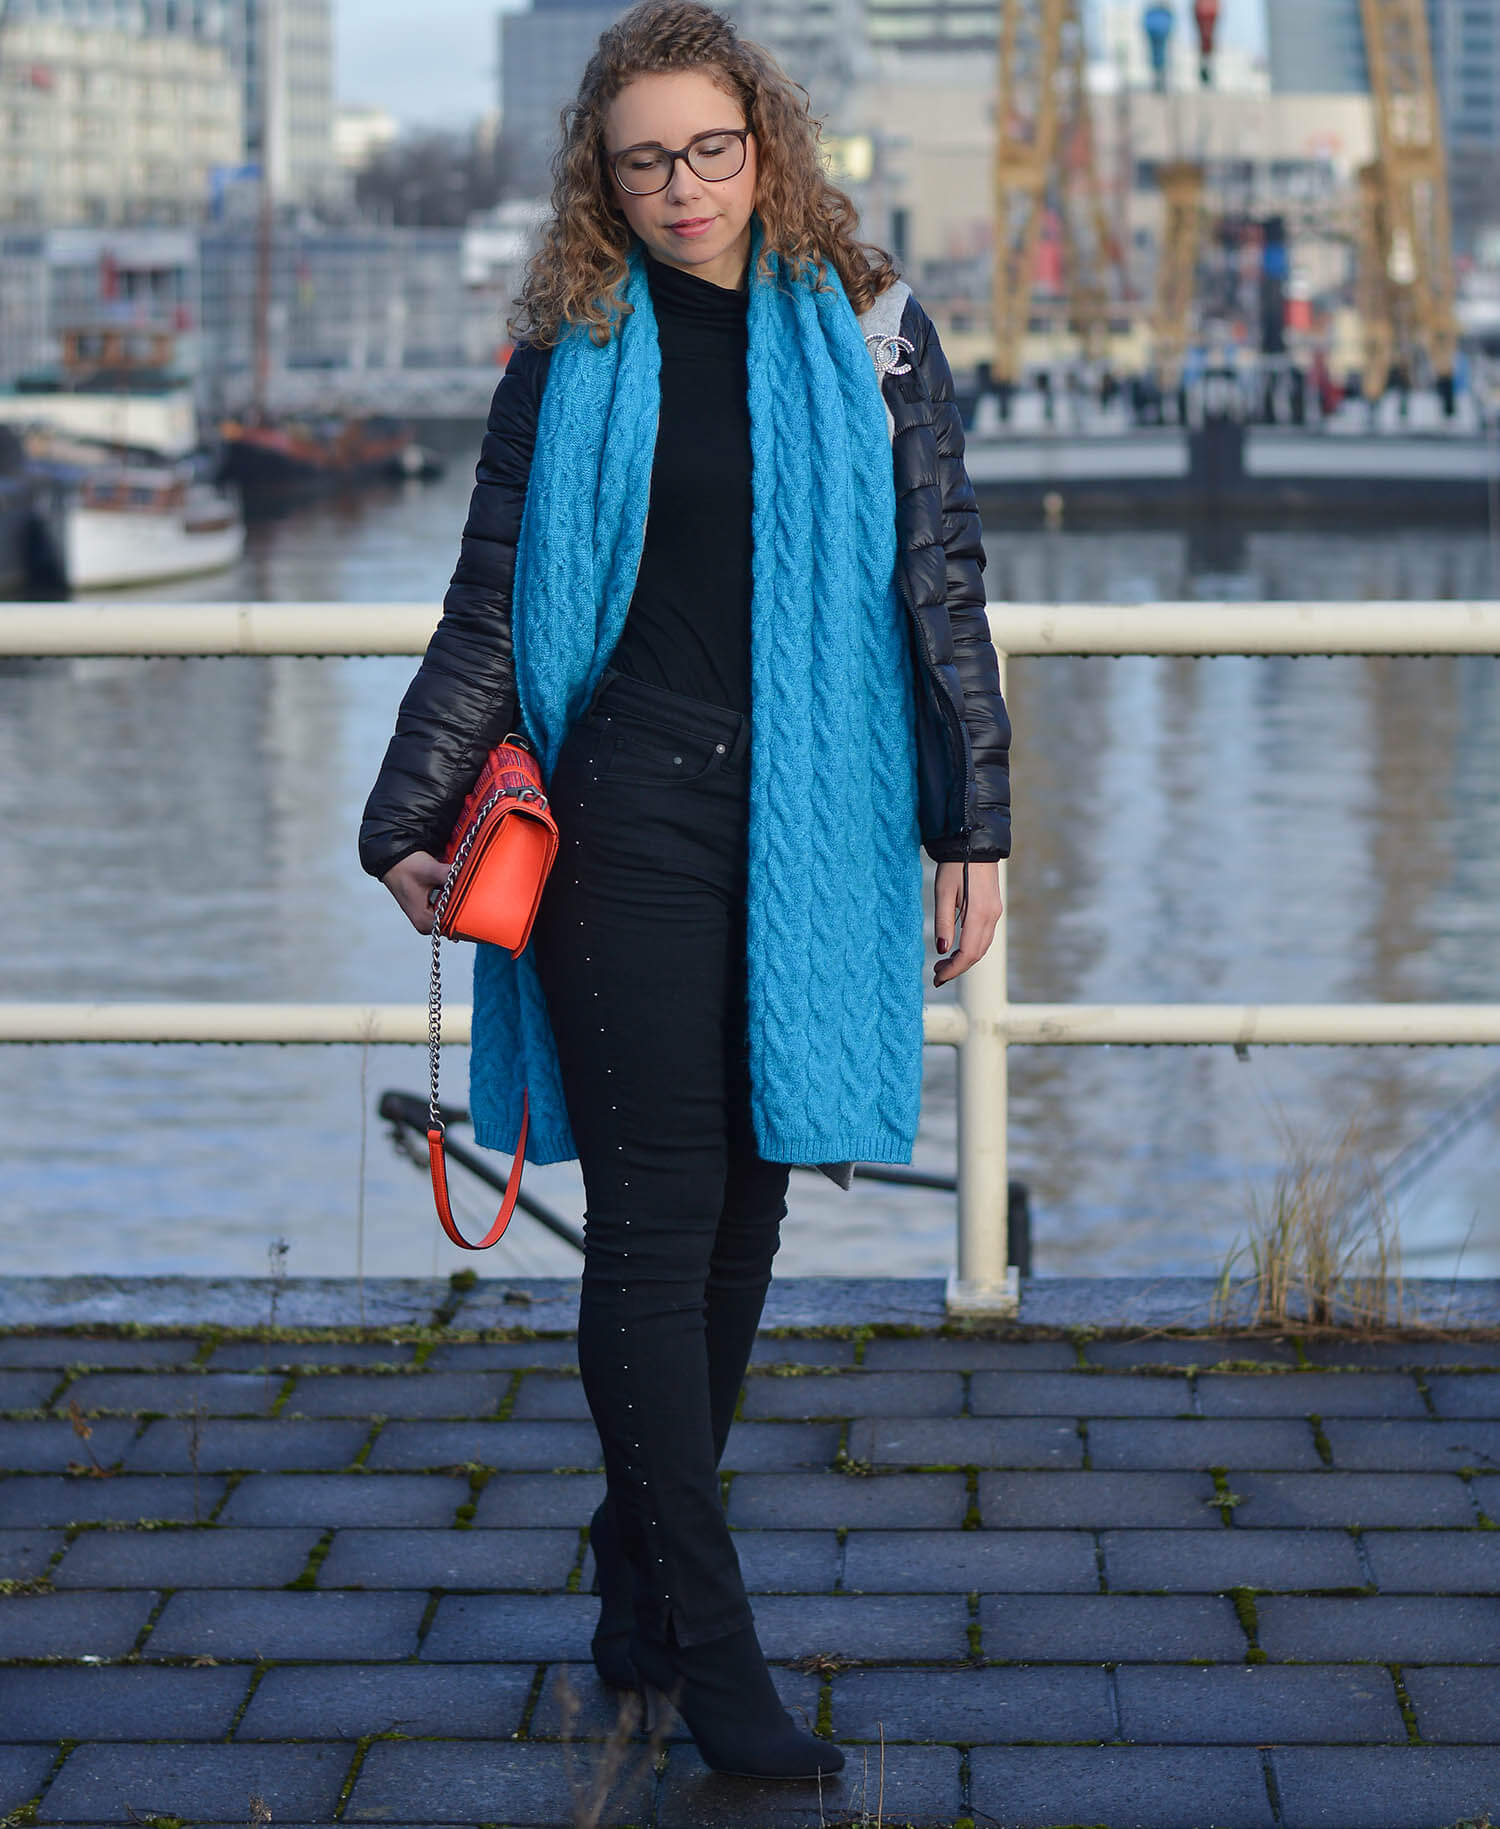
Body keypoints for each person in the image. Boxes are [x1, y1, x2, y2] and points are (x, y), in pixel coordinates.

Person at [358, 0, 1010, 1782]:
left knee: (747, 1223)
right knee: (655, 1231)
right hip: (619, 814)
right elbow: (492, 605)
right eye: (646, 159)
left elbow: (937, 596)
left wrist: (976, 825)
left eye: (712, 149)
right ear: (604, 172)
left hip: (811, 819)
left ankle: (637, 1574)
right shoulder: (566, 349)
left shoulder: (870, 332)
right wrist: (404, 816)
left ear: (765, 140)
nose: (684, 186)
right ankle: (716, 1663)